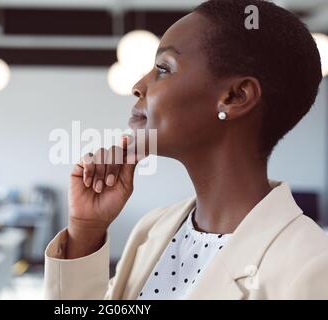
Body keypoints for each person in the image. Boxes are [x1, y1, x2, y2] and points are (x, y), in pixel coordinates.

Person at [44, 0, 328, 299]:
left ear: (235, 97)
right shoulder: (152, 229)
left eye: (163, 69)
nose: (138, 86)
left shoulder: (311, 268)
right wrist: (85, 232)